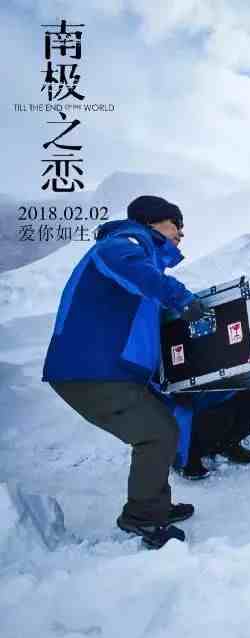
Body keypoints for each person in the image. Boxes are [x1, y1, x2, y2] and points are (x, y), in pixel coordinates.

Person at [42, 195, 209, 549]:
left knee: (163, 423)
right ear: (153, 223)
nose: (181, 233)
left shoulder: (139, 255)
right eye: (175, 224)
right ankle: (143, 519)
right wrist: (183, 300)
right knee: (157, 433)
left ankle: (155, 506)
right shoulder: (124, 245)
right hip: (89, 370)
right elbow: (137, 273)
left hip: (109, 369)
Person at [174, 389, 250, 480]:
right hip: (188, 396)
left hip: (220, 386)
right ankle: (189, 455)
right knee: (219, 411)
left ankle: (227, 445)